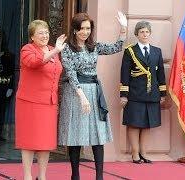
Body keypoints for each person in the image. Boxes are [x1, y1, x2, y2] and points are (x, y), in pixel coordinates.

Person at [58, 12, 127, 180]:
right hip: (75, 92)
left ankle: (99, 177)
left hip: (94, 91)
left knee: (97, 134)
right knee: (75, 135)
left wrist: (123, 28)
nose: (85, 32)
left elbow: (116, 47)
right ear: (74, 30)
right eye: (81, 28)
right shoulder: (67, 48)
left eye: (88, 28)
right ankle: (75, 175)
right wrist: (82, 96)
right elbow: (71, 74)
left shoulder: (94, 46)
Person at [15, 20, 66, 180]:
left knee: (46, 142)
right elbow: (35, 62)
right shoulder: (27, 49)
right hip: (30, 102)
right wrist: (55, 50)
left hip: (49, 103)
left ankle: (42, 176)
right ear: (32, 36)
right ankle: (28, 176)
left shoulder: (52, 50)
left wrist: (55, 50)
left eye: (46, 32)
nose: (45, 35)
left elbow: (57, 71)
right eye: (40, 33)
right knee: (29, 140)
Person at [119, 21, 167, 164]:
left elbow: (161, 74)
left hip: (152, 94)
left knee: (147, 124)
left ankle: (144, 153)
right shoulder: (130, 51)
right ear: (137, 34)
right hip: (134, 94)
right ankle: (135, 154)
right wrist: (124, 95)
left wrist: (163, 93)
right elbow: (124, 74)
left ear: (150, 33)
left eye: (147, 32)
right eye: (141, 32)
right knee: (134, 124)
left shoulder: (157, 51)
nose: (144, 34)